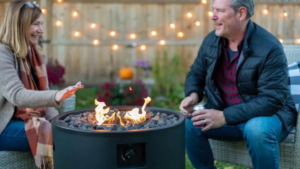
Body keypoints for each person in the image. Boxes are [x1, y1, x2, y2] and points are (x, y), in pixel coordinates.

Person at [179, 0, 298, 168]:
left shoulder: (269, 47)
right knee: (190, 124)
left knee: (256, 130)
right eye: (213, 10)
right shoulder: (212, 41)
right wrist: (193, 95)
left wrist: (224, 117)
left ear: (241, 13)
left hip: (269, 116)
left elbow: (271, 100)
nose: (213, 16)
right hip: (228, 112)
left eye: (219, 11)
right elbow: (196, 73)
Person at [0, 1, 83, 168]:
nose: (41, 30)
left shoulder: (33, 54)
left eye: (41, 24)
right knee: (56, 134)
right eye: (35, 24)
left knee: (67, 129)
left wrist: (60, 122)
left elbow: (43, 93)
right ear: (20, 24)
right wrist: (55, 95)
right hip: (4, 126)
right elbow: (17, 95)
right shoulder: (2, 54)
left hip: (25, 120)